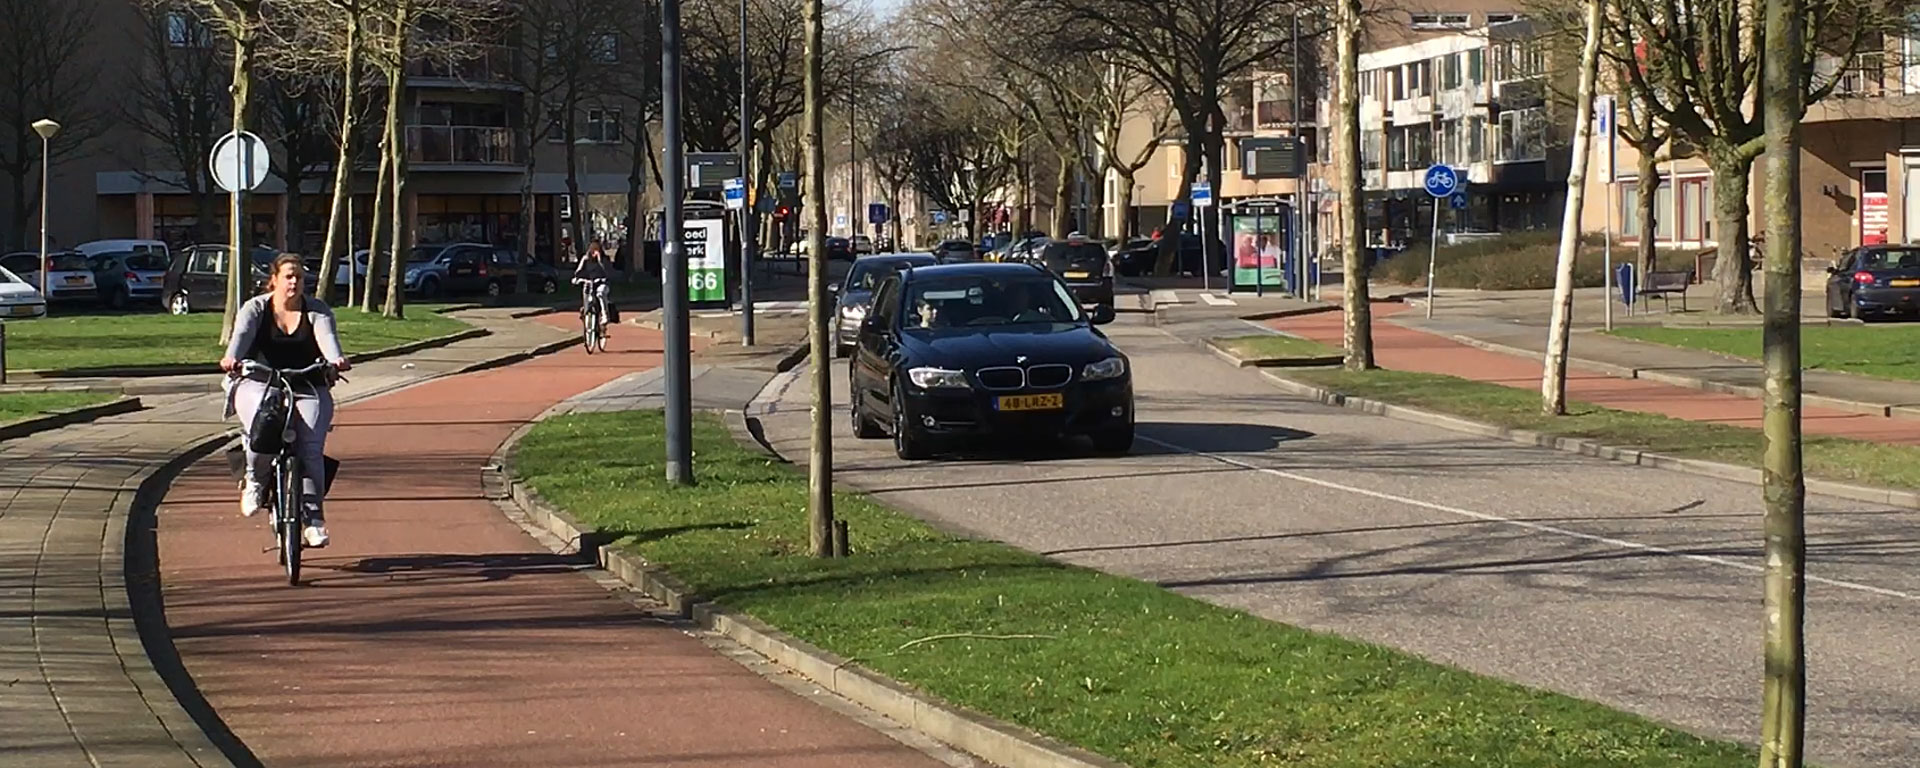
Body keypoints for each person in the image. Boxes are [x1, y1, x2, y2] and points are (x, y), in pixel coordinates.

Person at [220, 253, 350, 548]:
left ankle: (314, 519)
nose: (294, 281)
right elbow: (240, 337)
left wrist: (336, 359)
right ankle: (254, 479)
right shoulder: (255, 309)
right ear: (274, 280)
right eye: (289, 276)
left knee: (311, 448)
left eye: (300, 277)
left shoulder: (317, 310)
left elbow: (328, 338)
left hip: (307, 383)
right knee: (263, 425)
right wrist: (233, 358)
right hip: (259, 381)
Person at [573, 241, 612, 338]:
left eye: (597, 251)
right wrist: (577, 278)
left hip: (602, 283)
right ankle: (586, 312)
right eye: (593, 251)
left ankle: (604, 315)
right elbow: (578, 271)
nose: (595, 253)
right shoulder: (585, 259)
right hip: (590, 283)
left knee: (600, 293)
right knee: (586, 292)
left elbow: (608, 272)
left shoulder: (604, 259)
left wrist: (600, 261)